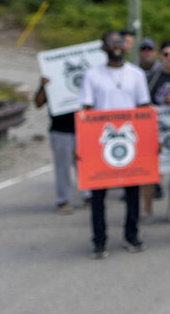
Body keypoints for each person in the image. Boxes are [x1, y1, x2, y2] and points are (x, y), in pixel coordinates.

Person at [79, 30, 151, 259]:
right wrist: (82, 146)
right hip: (102, 143)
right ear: (103, 47)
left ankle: (132, 234)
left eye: (120, 42)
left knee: (132, 193)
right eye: (111, 42)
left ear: (126, 46)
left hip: (130, 142)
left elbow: (144, 108)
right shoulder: (92, 75)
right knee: (98, 195)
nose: (116, 46)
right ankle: (99, 240)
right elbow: (86, 110)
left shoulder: (136, 74)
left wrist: (150, 142)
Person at [143, 39, 170, 224]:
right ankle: (147, 210)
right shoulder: (151, 78)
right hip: (155, 133)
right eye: (166, 54)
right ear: (161, 56)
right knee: (151, 173)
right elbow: (142, 103)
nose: (169, 58)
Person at [34, 77, 79, 215]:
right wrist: (43, 85)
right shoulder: (52, 76)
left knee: (86, 165)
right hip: (60, 128)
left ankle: (91, 196)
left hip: (84, 127)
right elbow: (38, 103)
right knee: (62, 167)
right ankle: (63, 200)